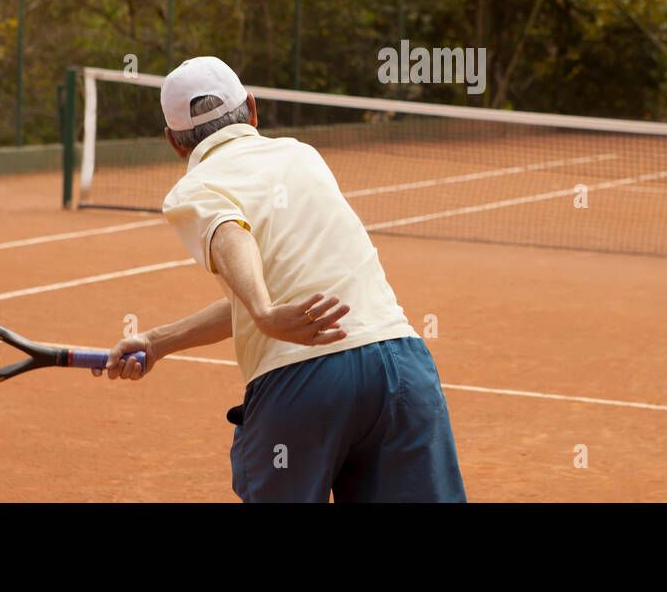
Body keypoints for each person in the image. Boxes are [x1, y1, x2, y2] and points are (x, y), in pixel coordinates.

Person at [94, 55, 467, 503]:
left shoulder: (193, 189)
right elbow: (267, 299)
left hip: (301, 381)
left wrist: (265, 313)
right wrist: (158, 341)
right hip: (401, 370)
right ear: (252, 108)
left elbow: (230, 234)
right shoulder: (302, 155)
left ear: (174, 142)